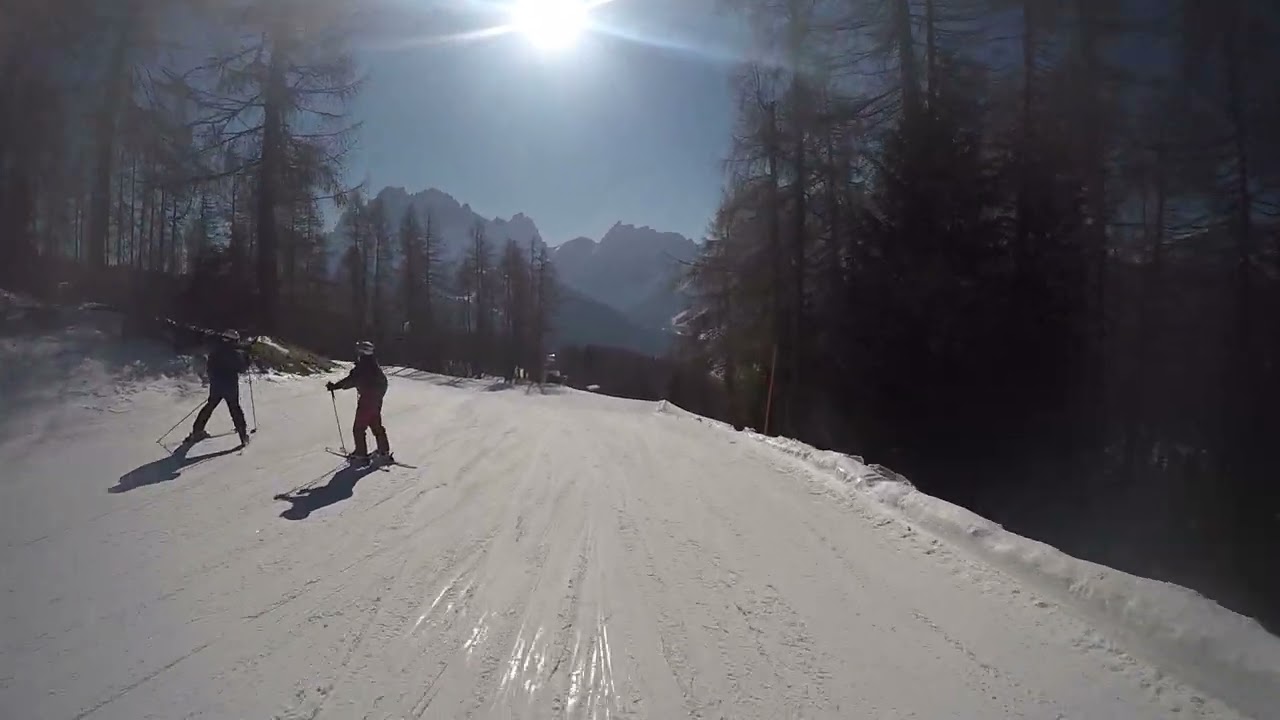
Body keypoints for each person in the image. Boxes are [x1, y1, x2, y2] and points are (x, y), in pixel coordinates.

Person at [327, 340, 391, 464]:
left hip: (367, 401)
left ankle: (361, 454)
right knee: (376, 425)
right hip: (375, 401)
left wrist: (335, 386)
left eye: (359, 351)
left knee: (359, 428)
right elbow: (384, 383)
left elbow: (351, 380)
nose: (357, 353)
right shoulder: (374, 366)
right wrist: (378, 397)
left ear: (362, 352)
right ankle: (384, 451)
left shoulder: (363, 366)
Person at [185, 329, 250, 446]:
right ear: (233, 341)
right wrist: (247, 360)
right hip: (230, 386)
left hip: (216, 385)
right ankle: (243, 435)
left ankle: (197, 431)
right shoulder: (234, 353)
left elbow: (210, 367)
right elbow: (242, 368)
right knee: (235, 409)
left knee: (210, 406)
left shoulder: (215, 350)